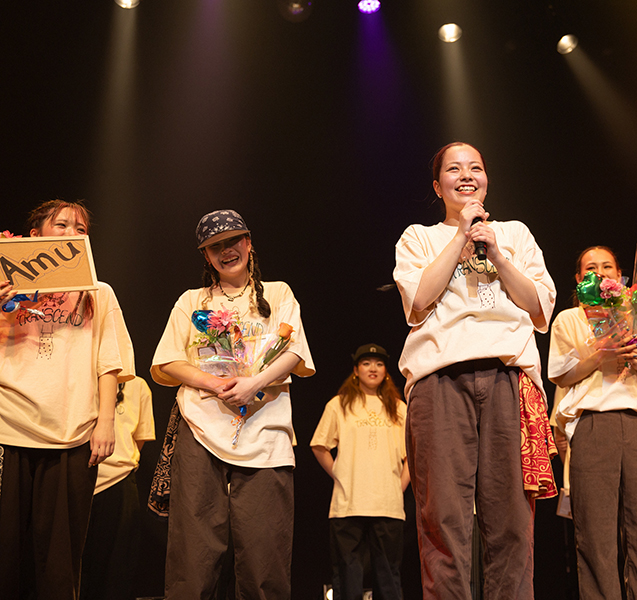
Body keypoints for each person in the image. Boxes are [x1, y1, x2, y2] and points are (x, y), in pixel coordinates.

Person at [393, 142, 556, 599]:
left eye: (475, 168)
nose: (466, 176)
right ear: (437, 186)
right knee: (443, 518)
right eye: (454, 169)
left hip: (509, 378)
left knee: (512, 521)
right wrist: (460, 237)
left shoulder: (514, 234)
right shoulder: (418, 237)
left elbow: (539, 307)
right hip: (439, 380)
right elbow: (418, 301)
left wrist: (497, 254)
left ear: (486, 180)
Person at [151, 209, 315, 599]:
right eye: (216, 247)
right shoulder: (192, 301)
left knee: (264, 552)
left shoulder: (278, 293)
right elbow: (167, 361)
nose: (227, 251)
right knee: (193, 554)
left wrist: (254, 383)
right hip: (200, 429)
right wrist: (214, 383)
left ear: (249, 243)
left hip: (265, 430)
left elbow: (295, 352)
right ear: (206, 257)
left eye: (233, 241)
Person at [0, 199, 135, 599]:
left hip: (71, 434)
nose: (71, 233)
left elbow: (110, 361)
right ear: (35, 236)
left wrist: (105, 422)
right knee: (6, 555)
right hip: (9, 428)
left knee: (60, 560)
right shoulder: (7, 288)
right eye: (61, 225)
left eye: (80, 228)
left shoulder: (98, 292)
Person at [549, 245, 637, 600]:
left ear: (620, 276)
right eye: (591, 268)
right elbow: (561, 375)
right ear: (579, 279)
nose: (600, 273)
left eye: (607, 267)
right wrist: (600, 355)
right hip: (592, 425)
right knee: (596, 537)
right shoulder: (569, 319)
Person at [311, 343, 409, 600]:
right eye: (366, 363)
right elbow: (319, 445)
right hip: (348, 503)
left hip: (388, 505)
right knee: (347, 574)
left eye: (379, 364)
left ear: (386, 371)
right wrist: (340, 474)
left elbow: (412, 455)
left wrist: (399, 486)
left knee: (388, 575)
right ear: (356, 370)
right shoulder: (339, 404)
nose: (372, 368)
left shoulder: (399, 408)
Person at [80, 376, 155, 600]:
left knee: (116, 570)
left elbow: (139, 439)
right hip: (77, 479)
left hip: (118, 481)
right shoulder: (79, 376)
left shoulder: (138, 385)